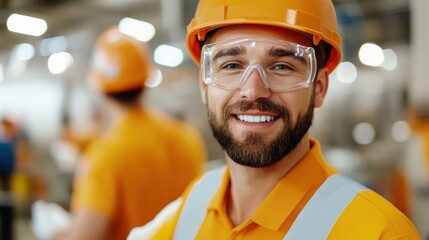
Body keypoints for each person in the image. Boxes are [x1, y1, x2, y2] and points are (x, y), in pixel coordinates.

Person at [127, 0, 421, 239]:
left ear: (318, 88)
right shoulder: (196, 202)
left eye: (281, 66)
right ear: (205, 86)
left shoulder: (378, 232)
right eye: (231, 65)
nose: (253, 90)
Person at [31, 26, 207, 240]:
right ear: (144, 81)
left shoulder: (104, 156)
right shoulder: (187, 137)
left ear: (100, 89)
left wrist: (53, 232)